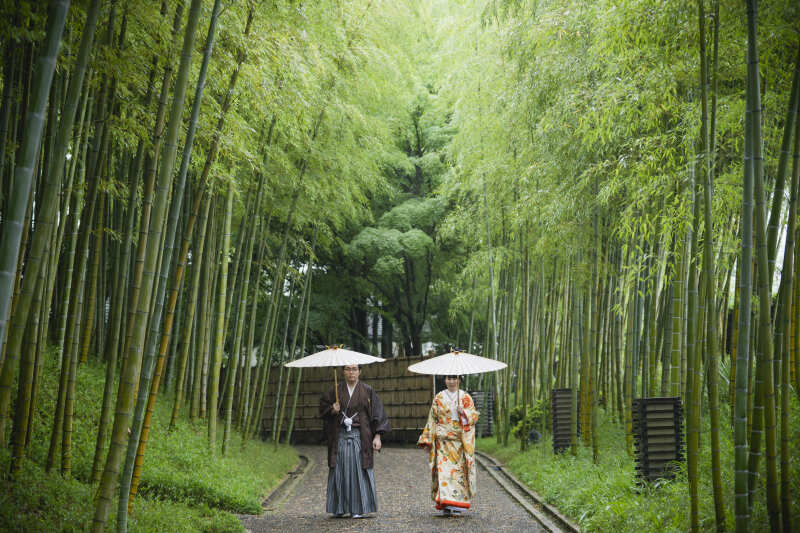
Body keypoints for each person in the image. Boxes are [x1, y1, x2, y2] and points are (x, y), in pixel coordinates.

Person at [319, 364, 391, 518]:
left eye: (354, 369)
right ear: (343, 372)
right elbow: (322, 409)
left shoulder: (367, 390)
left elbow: (378, 414)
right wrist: (333, 409)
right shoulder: (335, 391)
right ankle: (339, 507)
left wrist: (377, 436)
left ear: (360, 372)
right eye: (347, 369)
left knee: (359, 470)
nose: (351, 372)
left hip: (360, 437)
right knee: (339, 470)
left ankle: (358, 508)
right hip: (340, 436)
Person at [417, 375, 480, 516]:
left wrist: (463, 413)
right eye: (448, 378)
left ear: (459, 380)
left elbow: (474, 417)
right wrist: (428, 439)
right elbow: (432, 419)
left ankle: (457, 505)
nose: (451, 381)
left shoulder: (465, 397)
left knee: (458, 474)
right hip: (442, 442)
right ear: (445, 380)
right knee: (444, 474)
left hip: (459, 443)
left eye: (454, 378)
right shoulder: (439, 397)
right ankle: (446, 504)